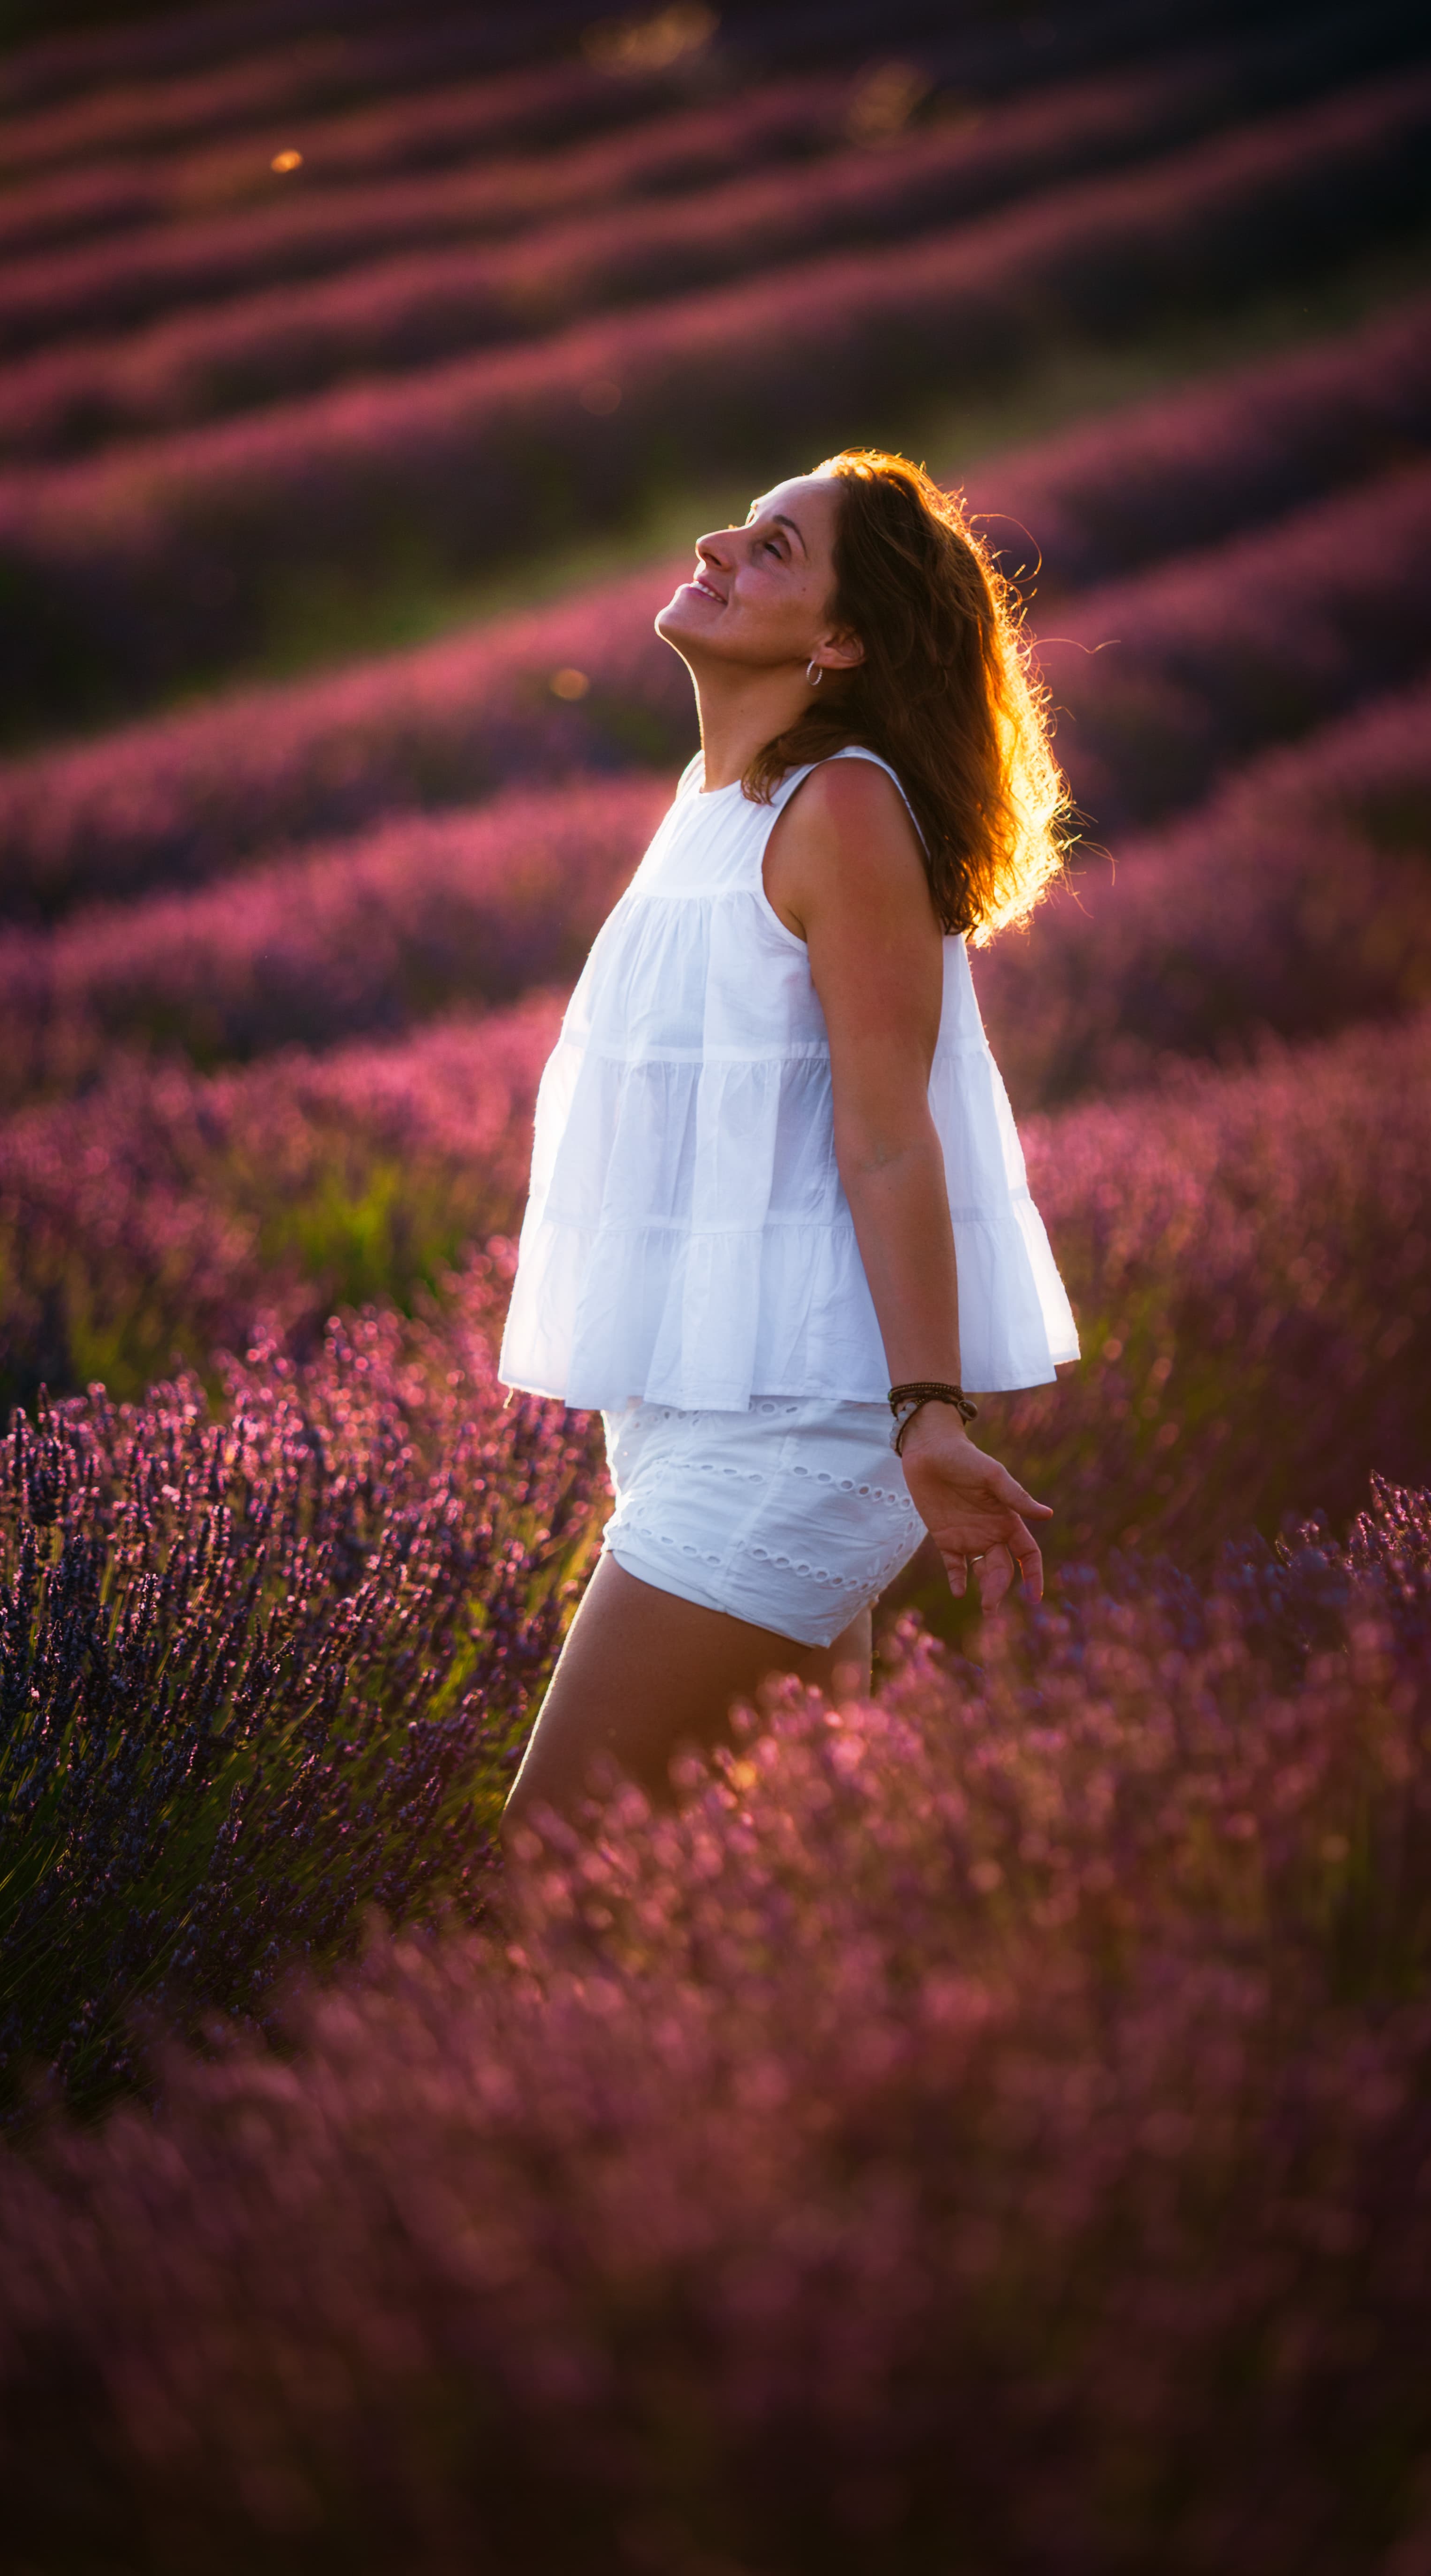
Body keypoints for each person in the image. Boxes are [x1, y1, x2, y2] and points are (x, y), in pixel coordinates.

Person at [498, 448, 1079, 1820]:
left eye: (773, 548)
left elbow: (891, 1135)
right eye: (741, 529)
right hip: (694, 1411)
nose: (714, 544)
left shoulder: (847, 808)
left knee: (553, 1859)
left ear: (841, 640)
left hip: (800, 1423)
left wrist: (930, 1416)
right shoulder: (712, 809)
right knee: (756, 1875)